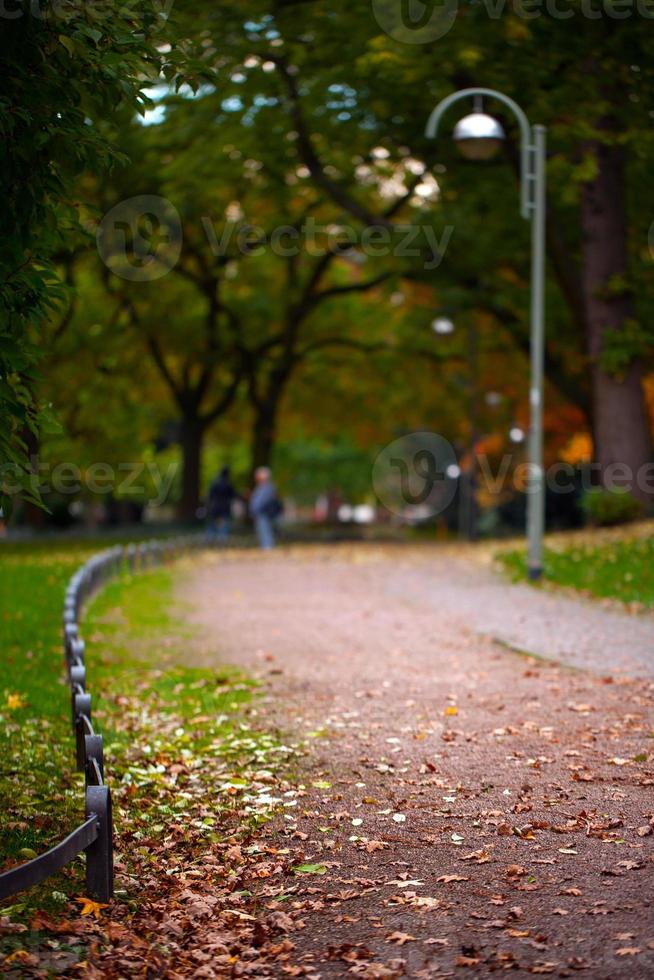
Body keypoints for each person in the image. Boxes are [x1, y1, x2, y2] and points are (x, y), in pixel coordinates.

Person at [249, 466, 282, 550]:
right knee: (262, 531)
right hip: (261, 513)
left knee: (265, 531)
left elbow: (263, 501)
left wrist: (257, 509)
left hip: (264, 513)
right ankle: (266, 547)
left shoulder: (268, 487)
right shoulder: (261, 487)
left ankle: (267, 547)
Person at [207, 465, 236, 543]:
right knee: (224, 523)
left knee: (212, 523)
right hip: (225, 506)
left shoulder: (215, 483)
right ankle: (223, 539)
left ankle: (210, 539)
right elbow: (233, 495)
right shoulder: (229, 484)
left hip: (215, 506)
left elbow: (210, 496)